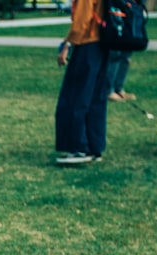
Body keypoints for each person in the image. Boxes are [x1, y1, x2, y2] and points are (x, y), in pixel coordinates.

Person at [54, 0, 110, 165]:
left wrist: (67, 44)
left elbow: (82, 20)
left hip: (87, 44)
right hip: (102, 43)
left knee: (76, 96)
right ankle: (95, 146)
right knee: (96, 98)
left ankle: (79, 146)